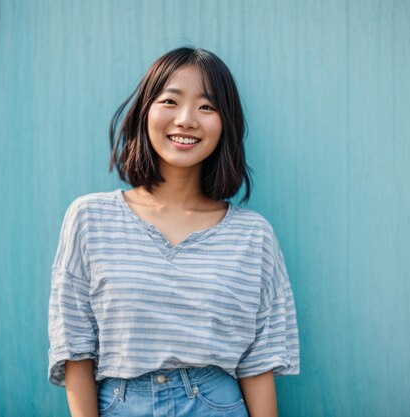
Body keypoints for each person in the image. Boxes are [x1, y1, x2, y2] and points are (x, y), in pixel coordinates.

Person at [48, 47, 300, 417]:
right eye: (170, 101)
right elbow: (75, 348)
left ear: (225, 124)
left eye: (207, 107)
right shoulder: (89, 218)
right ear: (145, 112)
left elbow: (258, 362)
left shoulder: (253, 235)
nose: (186, 120)